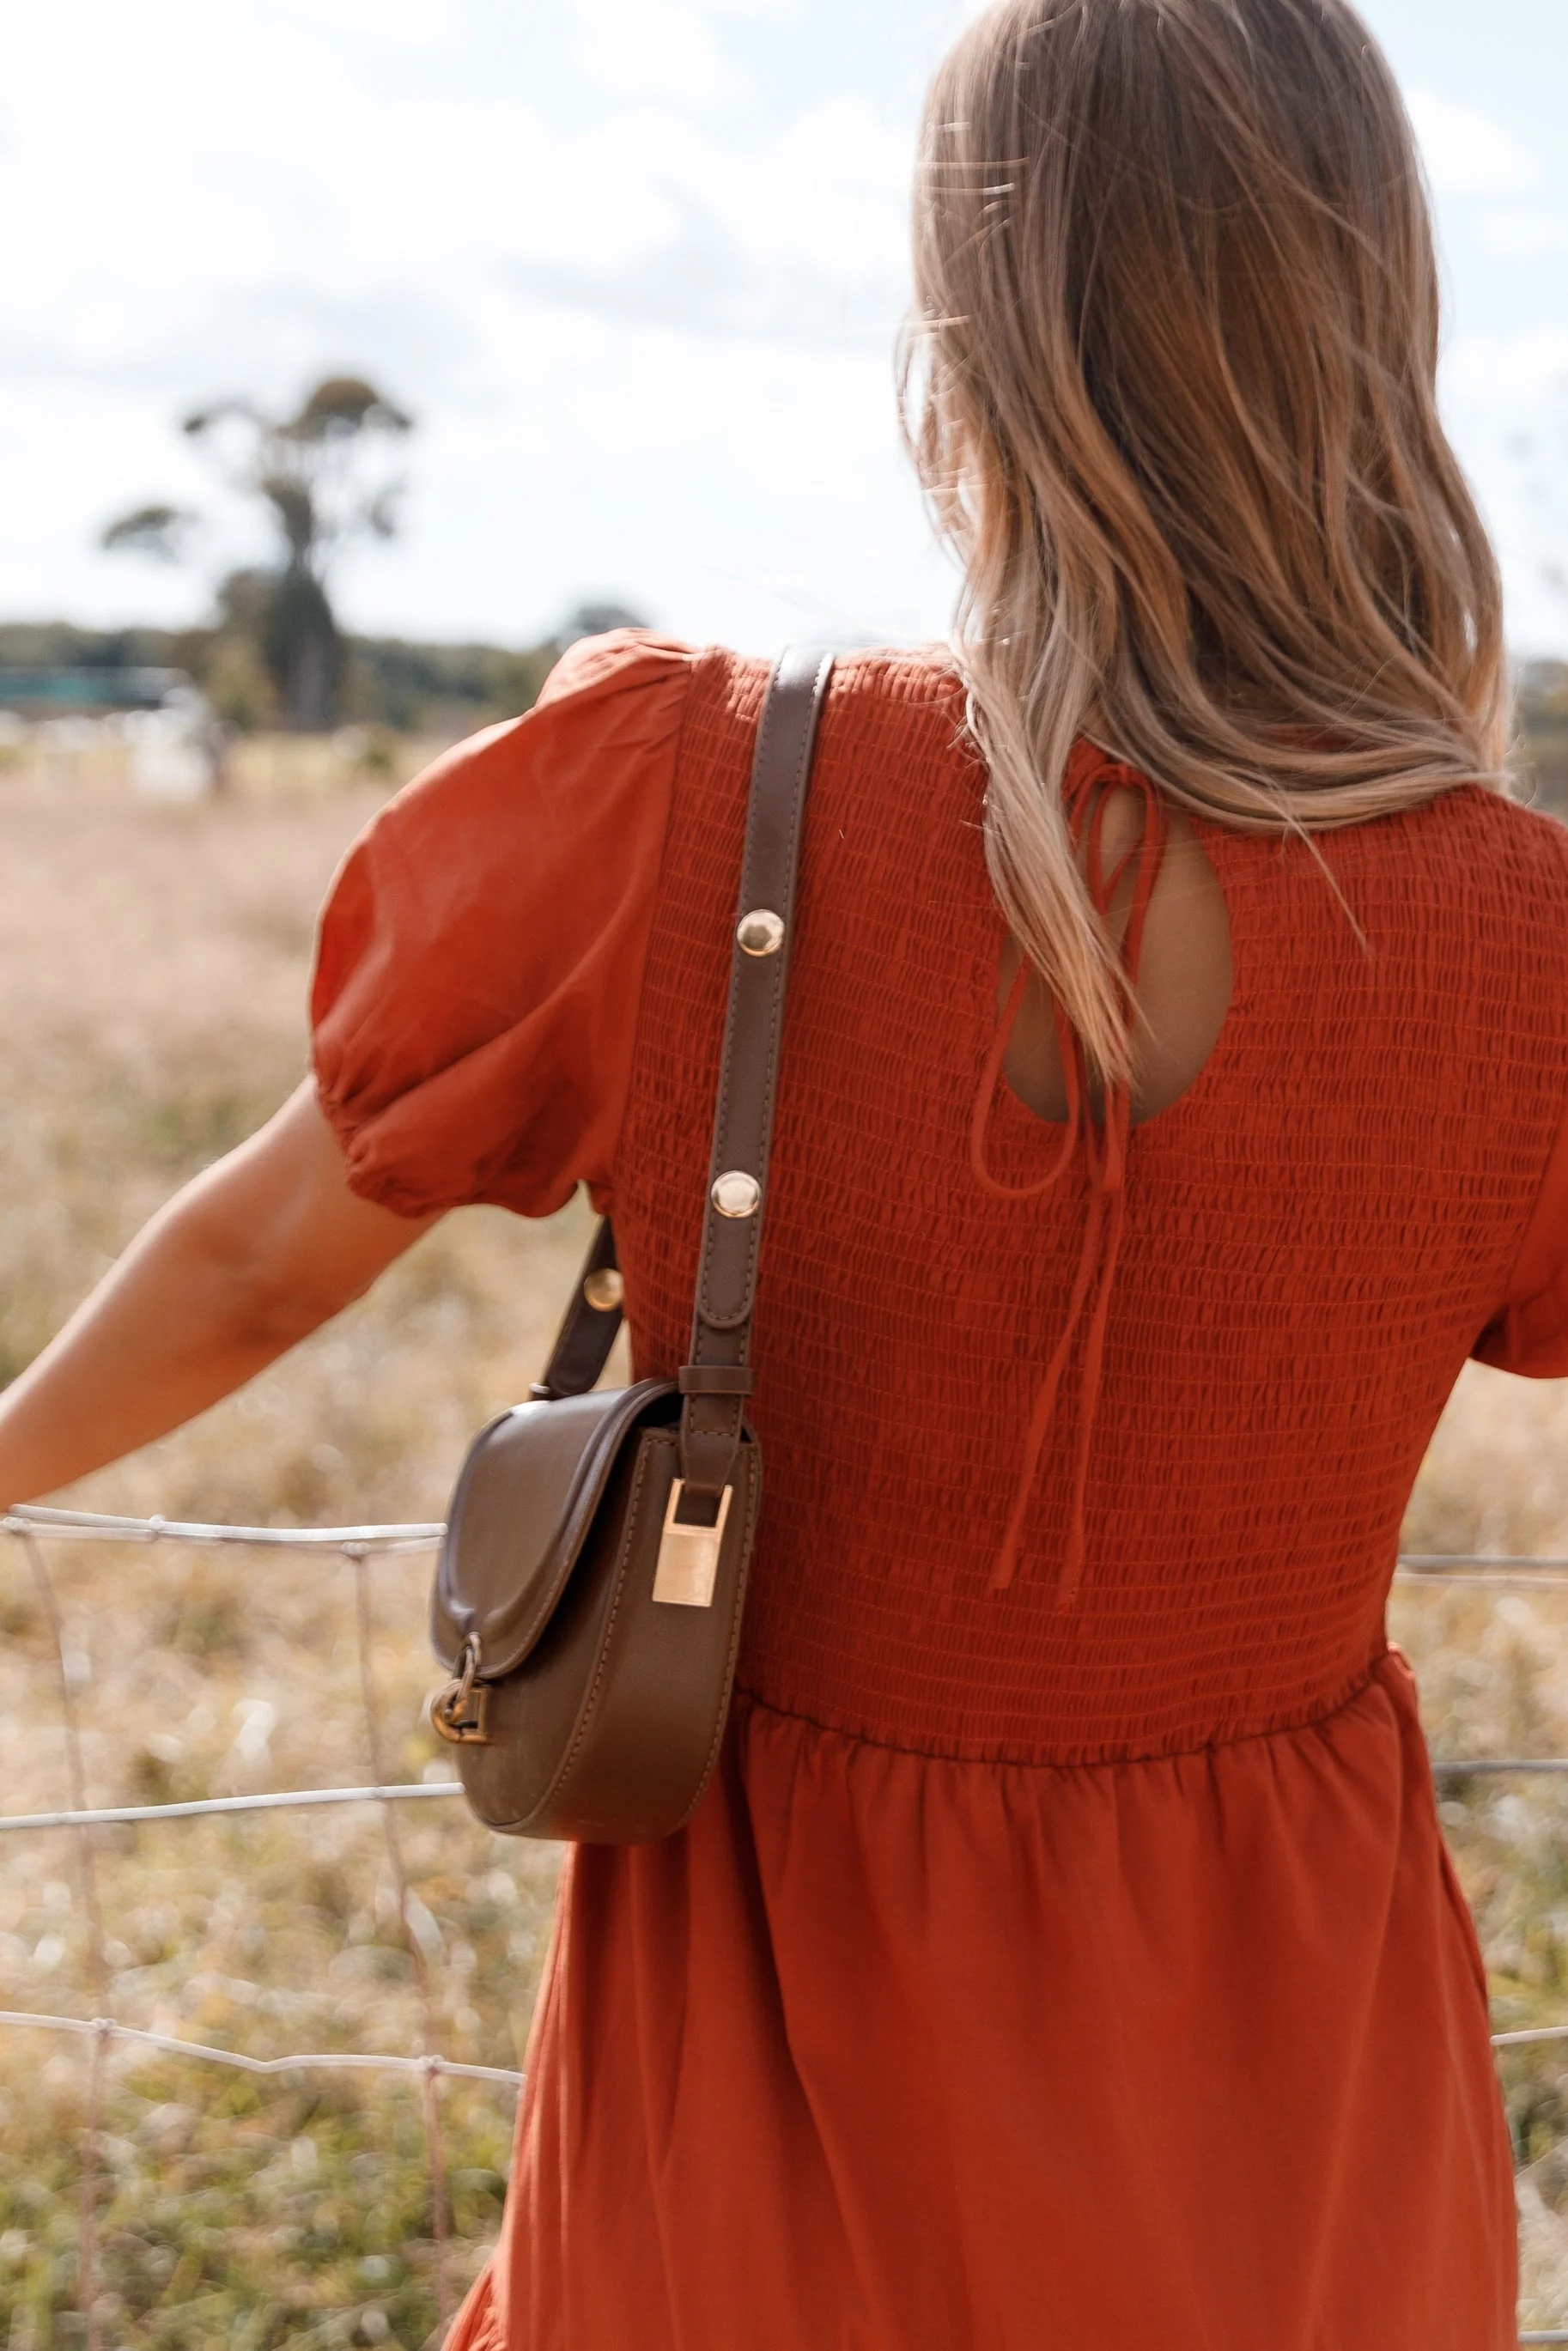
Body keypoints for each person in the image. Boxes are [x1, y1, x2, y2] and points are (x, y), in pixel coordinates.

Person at [1, 0, 1561, 2342]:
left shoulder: (685, 799)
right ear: (1376, 310)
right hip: (1289, 2088)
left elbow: (253, 1263)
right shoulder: (1520, 946)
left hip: (758, 2061)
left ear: (968, 324)